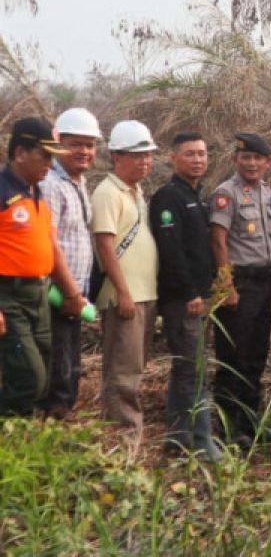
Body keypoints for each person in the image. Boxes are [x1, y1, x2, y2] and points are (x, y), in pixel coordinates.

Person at [0, 118, 87, 417]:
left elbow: (51, 248)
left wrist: (72, 294)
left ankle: (18, 440)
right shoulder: (2, 193)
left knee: (42, 378)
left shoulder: (36, 192)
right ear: (20, 152)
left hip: (38, 295)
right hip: (9, 295)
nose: (50, 164)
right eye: (45, 155)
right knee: (28, 375)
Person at [150, 132, 220, 461]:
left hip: (200, 296)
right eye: (190, 154)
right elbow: (171, 250)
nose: (197, 160)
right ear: (173, 158)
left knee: (187, 368)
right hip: (182, 299)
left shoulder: (198, 196)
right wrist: (190, 292)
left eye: (202, 154)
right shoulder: (168, 198)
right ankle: (201, 439)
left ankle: (178, 439)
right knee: (194, 369)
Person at [209, 133, 271, 446]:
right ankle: (227, 427)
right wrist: (226, 285)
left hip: (264, 283)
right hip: (239, 283)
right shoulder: (226, 193)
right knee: (233, 356)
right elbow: (218, 240)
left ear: (267, 163)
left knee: (256, 356)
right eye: (245, 158)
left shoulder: (267, 192)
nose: (251, 163)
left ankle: (252, 424)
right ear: (235, 161)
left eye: (257, 158)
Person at [90, 119, 159, 436]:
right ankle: (121, 444)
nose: (144, 161)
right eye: (136, 155)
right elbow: (105, 245)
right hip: (124, 297)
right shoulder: (107, 193)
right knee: (122, 373)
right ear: (116, 156)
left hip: (144, 295)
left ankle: (127, 440)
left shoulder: (136, 191)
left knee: (135, 367)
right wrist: (124, 293)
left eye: (147, 155)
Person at [37, 108, 101, 419]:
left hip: (75, 291)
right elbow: (49, 244)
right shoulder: (50, 184)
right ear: (57, 142)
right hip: (57, 293)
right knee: (58, 368)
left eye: (90, 145)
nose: (84, 152)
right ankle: (52, 429)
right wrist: (71, 294)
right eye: (76, 144)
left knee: (70, 364)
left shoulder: (78, 182)